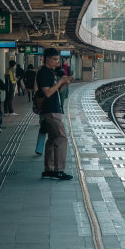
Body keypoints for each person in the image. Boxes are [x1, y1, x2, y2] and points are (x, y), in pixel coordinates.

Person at [36, 48, 72, 180]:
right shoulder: (43, 73)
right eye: (55, 59)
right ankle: (58, 170)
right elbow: (48, 93)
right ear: (47, 59)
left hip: (54, 109)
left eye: (58, 59)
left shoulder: (51, 72)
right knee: (62, 138)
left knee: (52, 139)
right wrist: (60, 82)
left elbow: (56, 91)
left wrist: (64, 83)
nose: (58, 62)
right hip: (50, 111)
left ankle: (49, 170)